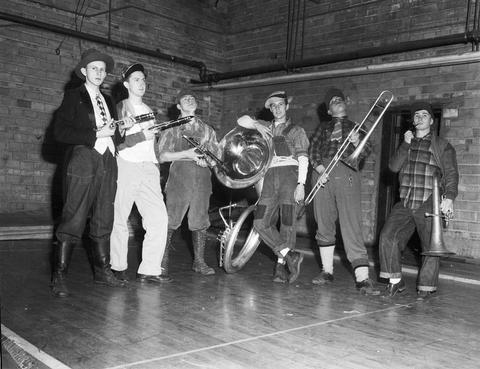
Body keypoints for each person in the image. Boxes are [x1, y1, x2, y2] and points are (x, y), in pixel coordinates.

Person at [51, 48, 133, 297]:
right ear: (84, 71)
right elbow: (60, 133)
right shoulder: (72, 96)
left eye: (102, 69)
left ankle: (102, 272)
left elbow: (114, 134)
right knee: (74, 216)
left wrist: (123, 128)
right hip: (84, 158)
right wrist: (95, 134)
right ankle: (60, 275)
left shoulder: (108, 100)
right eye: (94, 68)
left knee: (104, 216)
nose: (99, 72)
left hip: (108, 160)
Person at [378, 102, 458, 299]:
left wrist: (448, 198)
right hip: (405, 200)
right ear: (412, 120)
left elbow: (451, 174)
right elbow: (394, 167)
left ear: (431, 120)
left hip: (428, 201)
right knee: (388, 236)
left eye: (425, 114)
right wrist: (405, 144)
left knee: (431, 245)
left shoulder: (442, 146)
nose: (420, 117)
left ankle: (426, 287)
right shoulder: (407, 143)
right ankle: (396, 281)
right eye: (417, 115)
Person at [308, 88, 379, 295]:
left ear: (345, 105)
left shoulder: (357, 127)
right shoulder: (323, 127)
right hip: (322, 175)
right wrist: (320, 169)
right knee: (323, 221)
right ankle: (327, 271)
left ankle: (363, 278)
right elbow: (313, 150)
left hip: (347, 173)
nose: (337, 101)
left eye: (340, 99)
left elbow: (366, 151)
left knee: (351, 224)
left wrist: (358, 141)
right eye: (332, 101)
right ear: (329, 111)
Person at [237, 91, 309, 283]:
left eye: (280, 104)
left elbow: (303, 158)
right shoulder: (265, 126)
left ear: (287, 106)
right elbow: (241, 120)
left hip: (290, 175)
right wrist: (255, 125)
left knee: (287, 222)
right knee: (260, 222)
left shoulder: (297, 130)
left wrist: (301, 184)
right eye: (273, 106)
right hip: (269, 176)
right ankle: (289, 254)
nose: (277, 108)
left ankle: (280, 268)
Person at [109, 63, 171, 284]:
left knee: (159, 218)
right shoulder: (120, 108)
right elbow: (118, 142)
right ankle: (117, 267)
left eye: (143, 79)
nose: (141, 83)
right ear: (126, 84)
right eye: (136, 79)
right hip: (126, 165)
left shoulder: (149, 111)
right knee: (119, 217)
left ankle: (149, 269)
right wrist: (142, 136)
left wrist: (155, 165)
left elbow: (151, 143)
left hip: (148, 168)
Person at [157, 89, 219, 275]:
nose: (190, 100)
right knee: (171, 219)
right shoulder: (172, 128)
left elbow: (215, 158)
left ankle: (199, 262)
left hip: (202, 179)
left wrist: (206, 160)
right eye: (185, 99)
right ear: (178, 106)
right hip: (179, 178)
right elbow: (162, 156)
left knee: (200, 220)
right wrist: (187, 155)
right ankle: (162, 261)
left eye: (192, 98)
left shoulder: (207, 130)